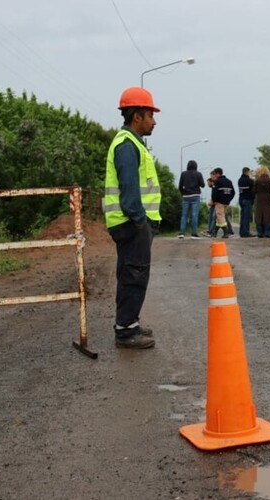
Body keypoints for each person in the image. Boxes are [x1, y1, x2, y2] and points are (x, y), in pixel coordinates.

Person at [103, 87, 160, 349]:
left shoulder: (131, 143)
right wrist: (140, 222)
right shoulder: (127, 146)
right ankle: (126, 331)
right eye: (150, 115)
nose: (154, 121)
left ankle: (129, 323)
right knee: (134, 275)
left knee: (131, 272)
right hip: (131, 223)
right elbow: (129, 191)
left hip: (131, 223)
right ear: (137, 116)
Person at [177, 160, 204, 239]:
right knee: (194, 215)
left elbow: (180, 186)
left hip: (186, 196)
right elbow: (202, 185)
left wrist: (183, 193)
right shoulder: (198, 174)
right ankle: (194, 234)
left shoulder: (183, 174)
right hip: (195, 196)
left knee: (184, 215)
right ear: (196, 166)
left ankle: (182, 233)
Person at [210, 167, 235, 238]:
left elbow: (214, 193)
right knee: (219, 217)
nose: (214, 176)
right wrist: (229, 199)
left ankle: (226, 232)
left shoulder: (217, 182)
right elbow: (233, 192)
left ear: (218, 174)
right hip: (226, 202)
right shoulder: (229, 181)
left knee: (220, 216)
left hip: (219, 202)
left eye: (215, 174)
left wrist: (213, 201)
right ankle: (214, 233)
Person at [253, 166, 270, 238]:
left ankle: (260, 232)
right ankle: (267, 232)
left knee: (259, 215)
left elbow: (254, 190)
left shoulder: (258, 180)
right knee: (268, 215)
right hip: (267, 199)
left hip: (260, 198)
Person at [237, 167, 255, 237]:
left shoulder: (240, 180)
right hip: (247, 199)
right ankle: (246, 232)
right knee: (246, 217)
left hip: (241, 199)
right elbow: (253, 190)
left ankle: (242, 232)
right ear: (247, 172)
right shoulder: (249, 181)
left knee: (242, 216)